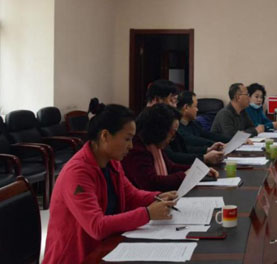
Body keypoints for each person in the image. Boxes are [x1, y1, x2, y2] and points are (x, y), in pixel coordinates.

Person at [43, 105, 177, 264]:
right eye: (127, 139)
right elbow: (97, 226)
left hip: (106, 248)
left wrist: (158, 197)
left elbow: (131, 195)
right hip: (79, 257)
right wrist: (147, 214)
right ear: (105, 136)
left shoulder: (112, 162)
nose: (131, 146)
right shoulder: (77, 173)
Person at [122, 104, 218, 191]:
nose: (172, 138)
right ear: (159, 131)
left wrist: (198, 170)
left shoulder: (154, 145)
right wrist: (185, 175)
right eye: (171, 133)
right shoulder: (137, 149)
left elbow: (171, 167)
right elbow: (151, 183)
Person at [169, 91, 225, 165]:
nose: (197, 109)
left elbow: (209, 135)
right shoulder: (176, 128)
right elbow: (192, 141)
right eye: (195, 106)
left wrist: (229, 140)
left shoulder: (194, 123)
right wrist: (211, 147)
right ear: (186, 107)